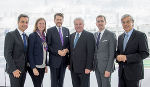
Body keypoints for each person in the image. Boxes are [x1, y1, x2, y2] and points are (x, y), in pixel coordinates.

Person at [116, 14, 149, 87]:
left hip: (134, 74)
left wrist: (127, 58)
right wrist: (117, 56)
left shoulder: (140, 35)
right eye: (123, 22)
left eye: (128, 22)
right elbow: (118, 52)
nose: (125, 24)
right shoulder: (120, 37)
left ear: (132, 22)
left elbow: (145, 53)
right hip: (122, 73)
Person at [4, 14, 29, 87]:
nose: (24, 24)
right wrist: (14, 70)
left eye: (26, 22)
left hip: (23, 70)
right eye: (22, 22)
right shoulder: (10, 35)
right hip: (15, 70)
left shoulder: (26, 37)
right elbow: (7, 54)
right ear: (18, 22)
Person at [69, 18, 95, 87]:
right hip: (73, 68)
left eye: (80, 24)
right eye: (76, 24)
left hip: (84, 69)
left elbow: (91, 53)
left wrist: (88, 67)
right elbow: (71, 52)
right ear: (74, 25)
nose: (78, 26)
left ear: (83, 25)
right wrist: (69, 64)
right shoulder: (71, 36)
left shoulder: (89, 36)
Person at [46, 13, 70, 87]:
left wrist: (67, 50)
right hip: (54, 61)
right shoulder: (50, 30)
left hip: (64, 61)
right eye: (57, 19)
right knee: (54, 83)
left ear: (63, 20)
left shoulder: (66, 30)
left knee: (61, 82)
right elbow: (48, 46)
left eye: (60, 19)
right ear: (54, 20)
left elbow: (69, 44)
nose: (59, 21)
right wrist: (57, 51)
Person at [94, 15, 117, 87]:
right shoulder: (94, 35)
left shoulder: (111, 35)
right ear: (96, 23)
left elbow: (112, 54)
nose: (100, 23)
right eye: (98, 21)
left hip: (106, 68)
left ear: (105, 22)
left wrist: (108, 69)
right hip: (97, 67)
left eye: (102, 21)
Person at [27, 18, 48, 87]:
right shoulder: (33, 36)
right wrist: (33, 68)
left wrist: (45, 65)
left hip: (42, 66)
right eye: (40, 23)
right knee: (37, 85)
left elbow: (45, 52)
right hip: (35, 66)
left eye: (43, 23)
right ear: (36, 25)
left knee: (39, 84)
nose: (42, 25)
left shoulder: (44, 36)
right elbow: (30, 53)